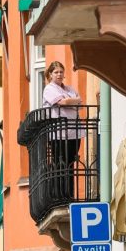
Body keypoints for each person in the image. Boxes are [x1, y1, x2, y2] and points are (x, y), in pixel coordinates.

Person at [42, 61, 85, 200]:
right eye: (56, 72)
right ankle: (60, 196)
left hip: (74, 132)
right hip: (58, 134)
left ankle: (69, 195)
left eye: (61, 72)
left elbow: (80, 104)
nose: (59, 74)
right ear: (50, 74)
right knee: (60, 163)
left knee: (71, 163)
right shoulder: (49, 89)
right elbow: (62, 102)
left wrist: (70, 101)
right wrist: (72, 101)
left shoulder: (69, 89)